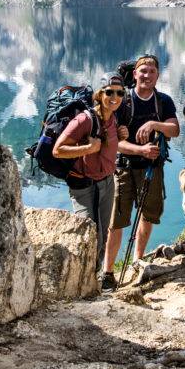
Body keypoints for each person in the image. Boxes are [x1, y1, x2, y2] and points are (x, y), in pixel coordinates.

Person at [101, 55, 179, 291]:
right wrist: (141, 150)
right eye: (142, 71)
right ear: (134, 74)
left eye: (151, 71)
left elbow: (174, 129)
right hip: (124, 168)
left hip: (152, 169)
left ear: (157, 75)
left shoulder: (163, 101)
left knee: (147, 215)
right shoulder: (122, 102)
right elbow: (112, 142)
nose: (146, 75)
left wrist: (154, 125)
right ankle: (108, 271)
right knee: (117, 222)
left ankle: (138, 260)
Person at [53, 72, 128, 281]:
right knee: (87, 236)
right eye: (109, 92)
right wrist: (87, 148)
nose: (115, 97)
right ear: (99, 93)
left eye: (119, 93)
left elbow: (109, 145)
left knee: (102, 236)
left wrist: (121, 136)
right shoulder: (85, 120)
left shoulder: (113, 118)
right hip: (84, 186)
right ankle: (80, 282)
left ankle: (92, 281)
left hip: (106, 182)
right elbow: (58, 150)